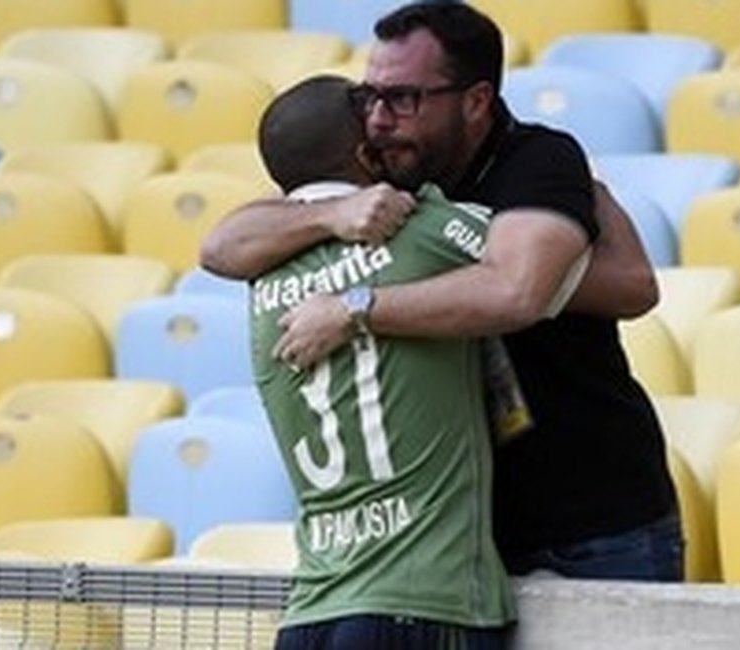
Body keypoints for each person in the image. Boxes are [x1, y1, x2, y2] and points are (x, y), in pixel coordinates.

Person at [202, 1, 683, 582]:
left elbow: (545, 290)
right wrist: (335, 213)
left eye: (403, 98)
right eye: (368, 96)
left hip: (593, 522)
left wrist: (358, 308)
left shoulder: (533, 161)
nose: (378, 118)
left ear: (476, 101)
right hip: (462, 540)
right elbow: (220, 247)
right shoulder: (382, 170)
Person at [251, 74, 527, 649]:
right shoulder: (420, 230)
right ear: (364, 153)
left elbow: (219, 243)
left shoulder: (260, 274)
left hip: (311, 609)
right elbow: (540, 265)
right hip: (422, 599)